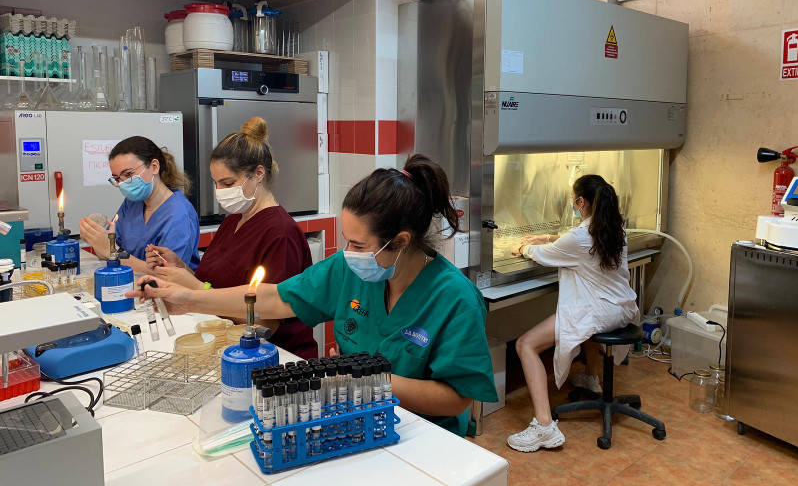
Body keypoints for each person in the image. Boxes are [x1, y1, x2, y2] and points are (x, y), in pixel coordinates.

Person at [131, 155, 498, 436]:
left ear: (400, 241)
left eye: (357, 243)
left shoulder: (454, 299)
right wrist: (188, 297)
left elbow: (457, 396)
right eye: (346, 240)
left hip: (423, 436)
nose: (347, 252)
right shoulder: (348, 268)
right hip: (356, 419)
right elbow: (275, 298)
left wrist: (364, 377)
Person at [144, 117, 317, 359]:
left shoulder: (280, 233)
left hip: (276, 357)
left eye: (228, 183)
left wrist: (193, 288)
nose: (221, 193)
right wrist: (179, 267)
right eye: (216, 184)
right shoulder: (235, 219)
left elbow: (266, 325)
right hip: (228, 346)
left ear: (258, 173)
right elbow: (213, 284)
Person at [506, 174, 637, 453]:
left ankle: (544, 427)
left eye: (573, 201)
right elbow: (580, 241)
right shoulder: (616, 230)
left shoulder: (579, 238)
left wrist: (523, 246)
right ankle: (590, 376)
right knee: (585, 327)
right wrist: (548, 235)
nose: (573, 206)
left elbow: (545, 254)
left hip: (598, 311)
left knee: (525, 344)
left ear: (580, 202)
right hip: (621, 309)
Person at [79, 137, 200, 274]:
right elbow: (110, 253)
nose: (123, 183)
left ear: (154, 166)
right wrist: (96, 238)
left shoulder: (179, 216)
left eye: (128, 174)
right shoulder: (132, 203)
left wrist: (111, 250)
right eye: (117, 178)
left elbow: (168, 275)